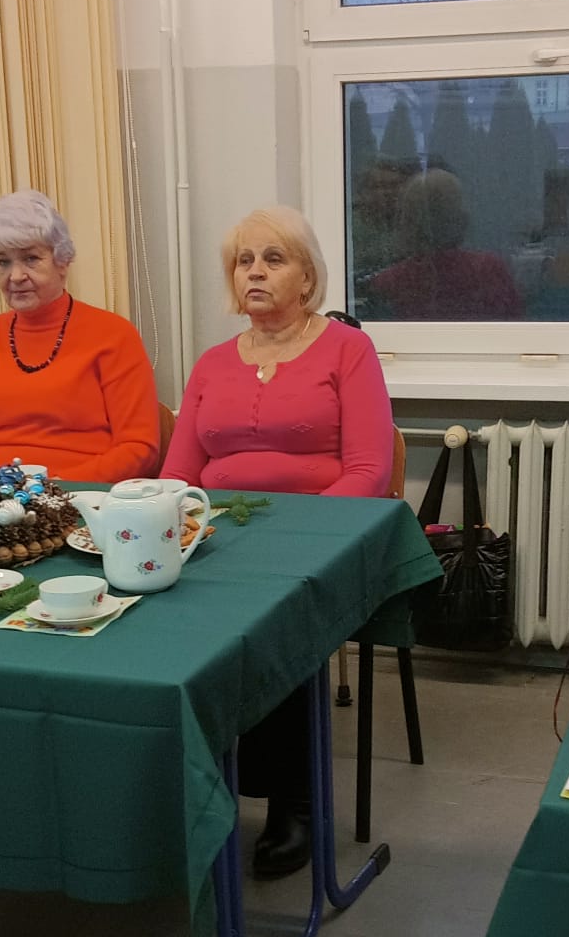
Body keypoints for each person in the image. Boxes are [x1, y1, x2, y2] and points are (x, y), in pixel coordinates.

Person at [163, 207, 396, 876]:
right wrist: (175, 530)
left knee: (274, 623)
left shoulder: (347, 350)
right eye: (244, 261)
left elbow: (369, 470)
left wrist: (297, 537)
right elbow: (178, 475)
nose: (255, 272)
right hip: (217, 540)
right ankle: (199, 791)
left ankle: (295, 803)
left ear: (307, 277)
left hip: (315, 539)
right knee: (166, 623)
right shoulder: (213, 363)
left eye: (274, 258)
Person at [0, 191, 159, 480]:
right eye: (2, 262)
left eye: (31, 259)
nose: (16, 276)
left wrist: (58, 488)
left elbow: (138, 447)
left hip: (81, 494)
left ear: (62, 261)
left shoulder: (114, 336)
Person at [367, 169, 524, 321]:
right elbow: (516, 328)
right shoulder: (488, 270)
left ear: (407, 220)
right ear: (460, 218)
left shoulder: (389, 282)